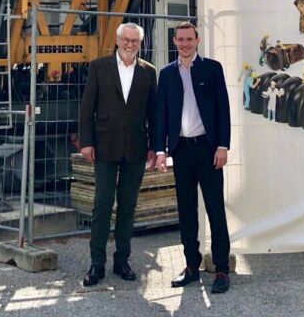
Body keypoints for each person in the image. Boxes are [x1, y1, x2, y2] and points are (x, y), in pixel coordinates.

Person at [78, 23, 157, 287]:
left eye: (135, 41)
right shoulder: (99, 67)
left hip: (136, 147)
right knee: (102, 204)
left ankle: (122, 260)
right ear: (117, 39)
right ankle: (96, 263)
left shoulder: (149, 72)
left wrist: (155, 146)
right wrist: (86, 143)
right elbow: (86, 108)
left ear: (140, 43)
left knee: (127, 206)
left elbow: (154, 113)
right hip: (105, 146)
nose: (130, 44)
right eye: (126, 39)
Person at [155, 23, 232, 295]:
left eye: (190, 39)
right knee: (186, 211)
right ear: (174, 41)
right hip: (182, 151)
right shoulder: (167, 74)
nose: (185, 43)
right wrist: (161, 149)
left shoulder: (212, 69)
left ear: (197, 40)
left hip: (208, 150)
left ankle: (221, 269)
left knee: (215, 209)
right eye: (181, 39)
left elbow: (223, 109)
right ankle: (191, 266)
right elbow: (161, 114)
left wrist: (222, 146)